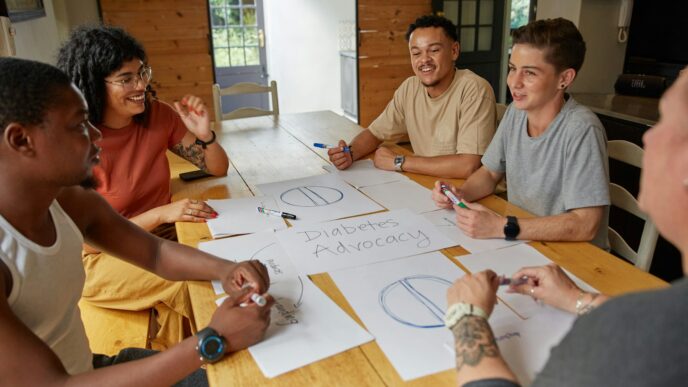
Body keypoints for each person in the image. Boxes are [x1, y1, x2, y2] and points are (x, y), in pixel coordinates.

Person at [0, 57, 272, 385]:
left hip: (87, 368)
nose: (96, 134)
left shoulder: (67, 201)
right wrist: (214, 339)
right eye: (78, 125)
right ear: (20, 140)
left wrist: (226, 269)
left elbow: (154, 254)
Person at [444, 65, 688, 387]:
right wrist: (578, 299)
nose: (649, 135)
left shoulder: (634, 341)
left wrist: (467, 318)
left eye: (667, 122)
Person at [57, 25, 230, 349]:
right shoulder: (78, 141)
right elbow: (87, 245)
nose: (141, 85)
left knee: (222, 255)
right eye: (127, 79)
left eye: (142, 73)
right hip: (103, 257)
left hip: (160, 237)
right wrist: (161, 213)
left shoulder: (158, 115)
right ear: (94, 84)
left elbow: (218, 168)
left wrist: (205, 135)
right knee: (193, 285)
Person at [432, 18, 609, 250]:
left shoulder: (582, 129)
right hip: (528, 244)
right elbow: (488, 173)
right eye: (513, 68)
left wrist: (502, 227)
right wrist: (460, 195)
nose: (514, 83)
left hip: (576, 257)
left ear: (564, 79)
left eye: (530, 73)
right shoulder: (516, 113)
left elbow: (586, 224)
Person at [328, 14, 496, 178]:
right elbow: (375, 133)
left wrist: (399, 162)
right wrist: (350, 153)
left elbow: (468, 166)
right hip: (430, 183)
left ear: (454, 51)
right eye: (416, 53)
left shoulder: (474, 89)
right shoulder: (410, 87)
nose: (424, 60)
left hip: (471, 194)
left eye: (434, 50)